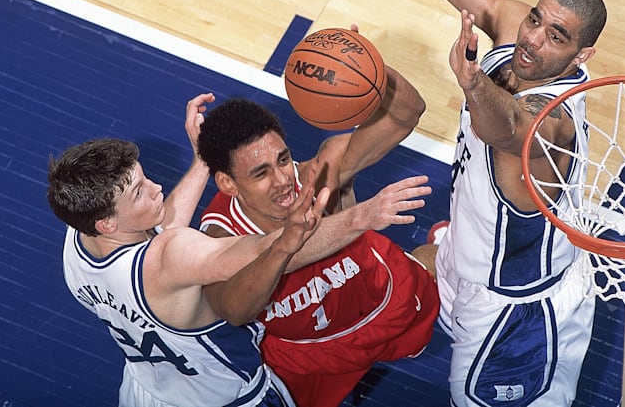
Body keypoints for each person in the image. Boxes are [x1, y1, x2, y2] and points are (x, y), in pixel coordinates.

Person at [47, 94, 432, 407]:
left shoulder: (78, 244)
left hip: (147, 392)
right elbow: (266, 248)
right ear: (106, 222)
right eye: (139, 192)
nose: (156, 187)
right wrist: (360, 216)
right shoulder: (172, 256)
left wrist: (203, 161)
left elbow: (159, 228)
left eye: (144, 177)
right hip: (230, 397)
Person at [415, 0, 608, 405]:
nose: (533, 39)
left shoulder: (556, 122)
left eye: (556, 36)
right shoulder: (515, 34)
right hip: (465, 257)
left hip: (516, 310)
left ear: (581, 55)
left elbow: (507, 129)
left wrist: (473, 83)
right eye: (535, 19)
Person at [196, 58, 439, 407]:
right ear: (227, 184)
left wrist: (367, 65)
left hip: (378, 297)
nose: (283, 181)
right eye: (261, 173)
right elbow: (234, 310)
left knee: (438, 265)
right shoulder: (219, 239)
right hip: (306, 355)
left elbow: (407, 111)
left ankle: (441, 243)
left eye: (283, 159)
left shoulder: (319, 172)